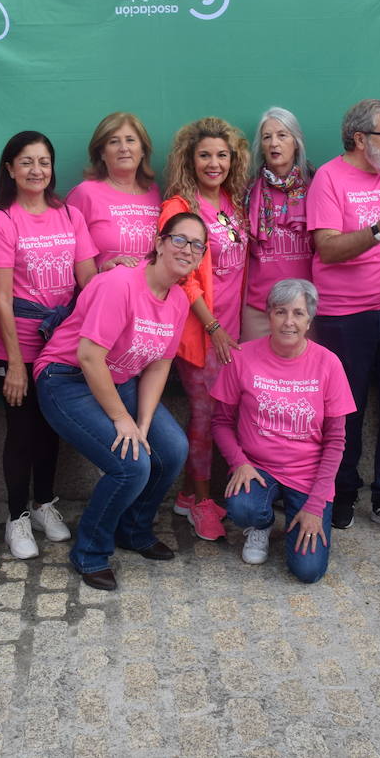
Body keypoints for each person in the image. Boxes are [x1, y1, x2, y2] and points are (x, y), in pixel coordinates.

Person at [33, 211, 203, 591]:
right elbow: (90, 357)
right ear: (159, 243)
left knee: (172, 449)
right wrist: (122, 421)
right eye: (179, 239)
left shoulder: (177, 300)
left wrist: (141, 423)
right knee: (131, 466)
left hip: (121, 380)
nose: (187, 249)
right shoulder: (120, 283)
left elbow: (158, 366)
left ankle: (134, 530)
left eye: (196, 245)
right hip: (67, 379)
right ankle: (90, 551)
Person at [307, 99, 380, 541]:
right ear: (361, 138)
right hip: (344, 316)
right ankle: (342, 493)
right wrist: (378, 229)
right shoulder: (328, 178)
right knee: (346, 413)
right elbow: (328, 249)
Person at [0, 130, 97, 559]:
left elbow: (88, 281)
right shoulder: (3, 221)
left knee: (53, 428)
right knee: (22, 432)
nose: (37, 170)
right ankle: (16, 518)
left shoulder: (69, 216)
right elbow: (1, 297)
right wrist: (15, 364)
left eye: (44, 162)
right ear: (10, 169)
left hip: (61, 342)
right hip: (18, 344)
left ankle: (44, 504)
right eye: (27, 162)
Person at [214, 279, 354, 583]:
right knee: (242, 506)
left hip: (308, 475)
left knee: (308, 571)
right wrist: (239, 462)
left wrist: (316, 505)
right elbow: (221, 422)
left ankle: (300, 514)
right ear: (268, 315)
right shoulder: (242, 357)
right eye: (280, 312)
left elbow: (336, 441)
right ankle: (260, 526)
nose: (288, 322)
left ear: (309, 320)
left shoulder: (328, 364)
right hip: (258, 469)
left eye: (298, 313)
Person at [159, 117, 250, 542]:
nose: (214, 163)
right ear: (189, 160)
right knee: (205, 415)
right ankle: (199, 501)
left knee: (228, 414)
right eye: (204, 155)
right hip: (202, 331)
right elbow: (184, 276)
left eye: (221, 155)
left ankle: (189, 493)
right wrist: (212, 326)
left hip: (237, 327)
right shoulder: (180, 207)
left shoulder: (233, 200)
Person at [242, 107, 316, 343]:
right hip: (259, 307)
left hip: (305, 308)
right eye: (267, 137)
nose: (274, 143)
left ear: (296, 142)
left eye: (282, 135)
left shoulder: (318, 186)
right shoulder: (246, 191)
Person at [65, 112, 162, 271]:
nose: (124, 148)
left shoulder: (154, 192)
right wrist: (102, 270)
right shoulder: (85, 193)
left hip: (151, 292)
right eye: (114, 142)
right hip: (105, 291)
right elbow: (65, 254)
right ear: (102, 153)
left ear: (143, 150)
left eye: (130, 140)